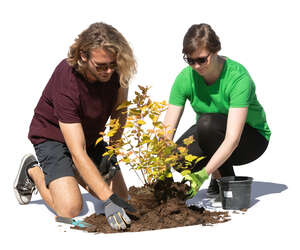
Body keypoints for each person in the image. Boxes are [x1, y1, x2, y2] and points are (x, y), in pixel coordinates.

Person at [13, 22, 137, 230]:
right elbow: (77, 151)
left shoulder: (117, 69)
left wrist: (112, 153)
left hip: (88, 136)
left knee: (122, 198)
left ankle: (74, 171)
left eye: (112, 65)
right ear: (83, 56)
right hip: (53, 136)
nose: (108, 71)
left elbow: (119, 111)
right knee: (70, 210)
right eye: (101, 66)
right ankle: (32, 170)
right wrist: (107, 200)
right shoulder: (67, 80)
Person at [163, 23, 271, 198]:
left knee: (207, 124)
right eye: (191, 61)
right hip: (212, 135)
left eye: (202, 59)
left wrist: (202, 174)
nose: (196, 66)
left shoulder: (238, 77)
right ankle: (218, 173)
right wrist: (164, 164)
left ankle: (228, 183)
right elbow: (166, 132)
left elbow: (232, 138)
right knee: (179, 158)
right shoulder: (184, 79)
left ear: (216, 51)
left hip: (250, 140)